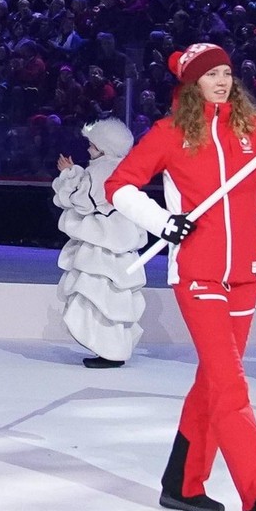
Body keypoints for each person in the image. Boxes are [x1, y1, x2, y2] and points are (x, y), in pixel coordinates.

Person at [102, 42, 256, 511]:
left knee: (213, 382)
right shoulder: (169, 134)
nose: (223, 81)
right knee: (229, 383)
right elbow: (118, 185)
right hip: (198, 273)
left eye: (227, 73)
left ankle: (182, 484)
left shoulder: (250, 128)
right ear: (192, 85)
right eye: (211, 76)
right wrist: (163, 222)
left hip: (245, 273)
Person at [52, 118, 147, 368]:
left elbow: (83, 201)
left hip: (102, 243)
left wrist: (68, 175)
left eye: (92, 146)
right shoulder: (122, 167)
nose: (88, 150)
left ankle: (108, 350)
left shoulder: (101, 170)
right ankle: (113, 348)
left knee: (99, 294)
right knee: (114, 296)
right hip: (119, 240)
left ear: (104, 148)